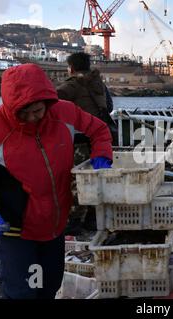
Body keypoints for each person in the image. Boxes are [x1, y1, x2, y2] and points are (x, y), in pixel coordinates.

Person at [0, 64, 113, 299]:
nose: (33, 117)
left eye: (38, 110)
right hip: (15, 227)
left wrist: (102, 154)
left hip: (54, 224)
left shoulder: (65, 112)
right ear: (12, 106)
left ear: (48, 102)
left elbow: (99, 130)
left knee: (48, 287)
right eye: (25, 112)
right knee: (21, 293)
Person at [57, 53, 116, 234]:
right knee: (96, 178)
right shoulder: (99, 84)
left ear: (71, 68)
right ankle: (92, 219)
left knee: (77, 180)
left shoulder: (71, 85)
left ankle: (74, 222)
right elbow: (110, 107)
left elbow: (52, 104)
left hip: (80, 139)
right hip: (100, 139)